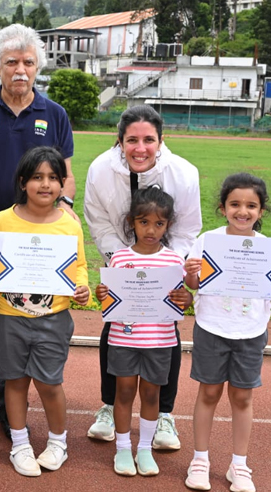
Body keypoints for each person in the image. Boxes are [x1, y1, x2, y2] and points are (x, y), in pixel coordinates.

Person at [0, 23, 78, 437]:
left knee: (16, 324)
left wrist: (66, 209)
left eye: (28, 62)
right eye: (11, 62)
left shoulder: (54, 114)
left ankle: (9, 412)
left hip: (31, 242)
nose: (20, 70)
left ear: (38, 67)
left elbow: (66, 176)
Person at [84, 104, 201, 450]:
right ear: (119, 140)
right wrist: (124, 263)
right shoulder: (100, 170)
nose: (140, 148)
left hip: (166, 262)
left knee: (165, 331)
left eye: (149, 140)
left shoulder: (185, 173)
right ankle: (109, 406)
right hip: (122, 258)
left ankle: (164, 413)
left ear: (161, 141)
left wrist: (166, 266)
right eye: (132, 140)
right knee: (116, 326)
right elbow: (99, 222)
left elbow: (188, 228)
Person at [183, 173, 271, 492]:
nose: (242, 211)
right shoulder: (207, 240)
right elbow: (192, 285)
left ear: (261, 211)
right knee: (209, 393)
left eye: (251, 205)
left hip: (250, 331)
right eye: (235, 204)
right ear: (223, 208)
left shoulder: (268, 248)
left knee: (242, 396)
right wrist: (191, 274)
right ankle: (200, 460)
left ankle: (239, 464)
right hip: (212, 327)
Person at [0, 146, 90, 477]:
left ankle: (58, 442)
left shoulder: (69, 224)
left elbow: (79, 266)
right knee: (15, 382)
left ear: (62, 184)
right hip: (8, 315)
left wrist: (82, 287)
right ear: (23, 182)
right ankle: (20, 445)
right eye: (36, 177)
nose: (45, 184)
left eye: (53, 178)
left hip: (53, 317)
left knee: (49, 383)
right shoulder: (2, 220)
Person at [94, 187, 193, 478]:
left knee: (151, 395)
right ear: (132, 222)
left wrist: (186, 299)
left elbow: (181, 299)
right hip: (123, 339)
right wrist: (103, 294)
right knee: (124, 392)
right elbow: (111, 299)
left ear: (168, 225)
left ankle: (145, 449)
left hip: (159, 341)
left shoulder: (174, 261)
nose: (151, 230)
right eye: (144, 222)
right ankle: (123, 448)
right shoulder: (120, 259)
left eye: (159, 223)